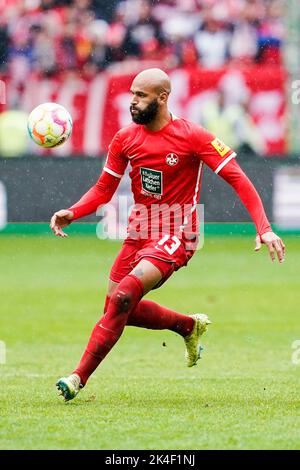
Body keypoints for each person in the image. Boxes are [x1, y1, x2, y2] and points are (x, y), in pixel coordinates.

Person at [50, 68, 285, 402]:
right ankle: (188, 326)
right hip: (140, 230)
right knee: (117, 309)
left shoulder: (193, 136)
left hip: (179, 230)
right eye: (132, 94)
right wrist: (72, 211)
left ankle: (77, 378)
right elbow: (103, 190)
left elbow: (237, 177)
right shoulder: (125, 138)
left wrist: (264, 227)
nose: (133, 101)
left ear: (162, 97)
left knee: (123, 296)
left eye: (141, 95)